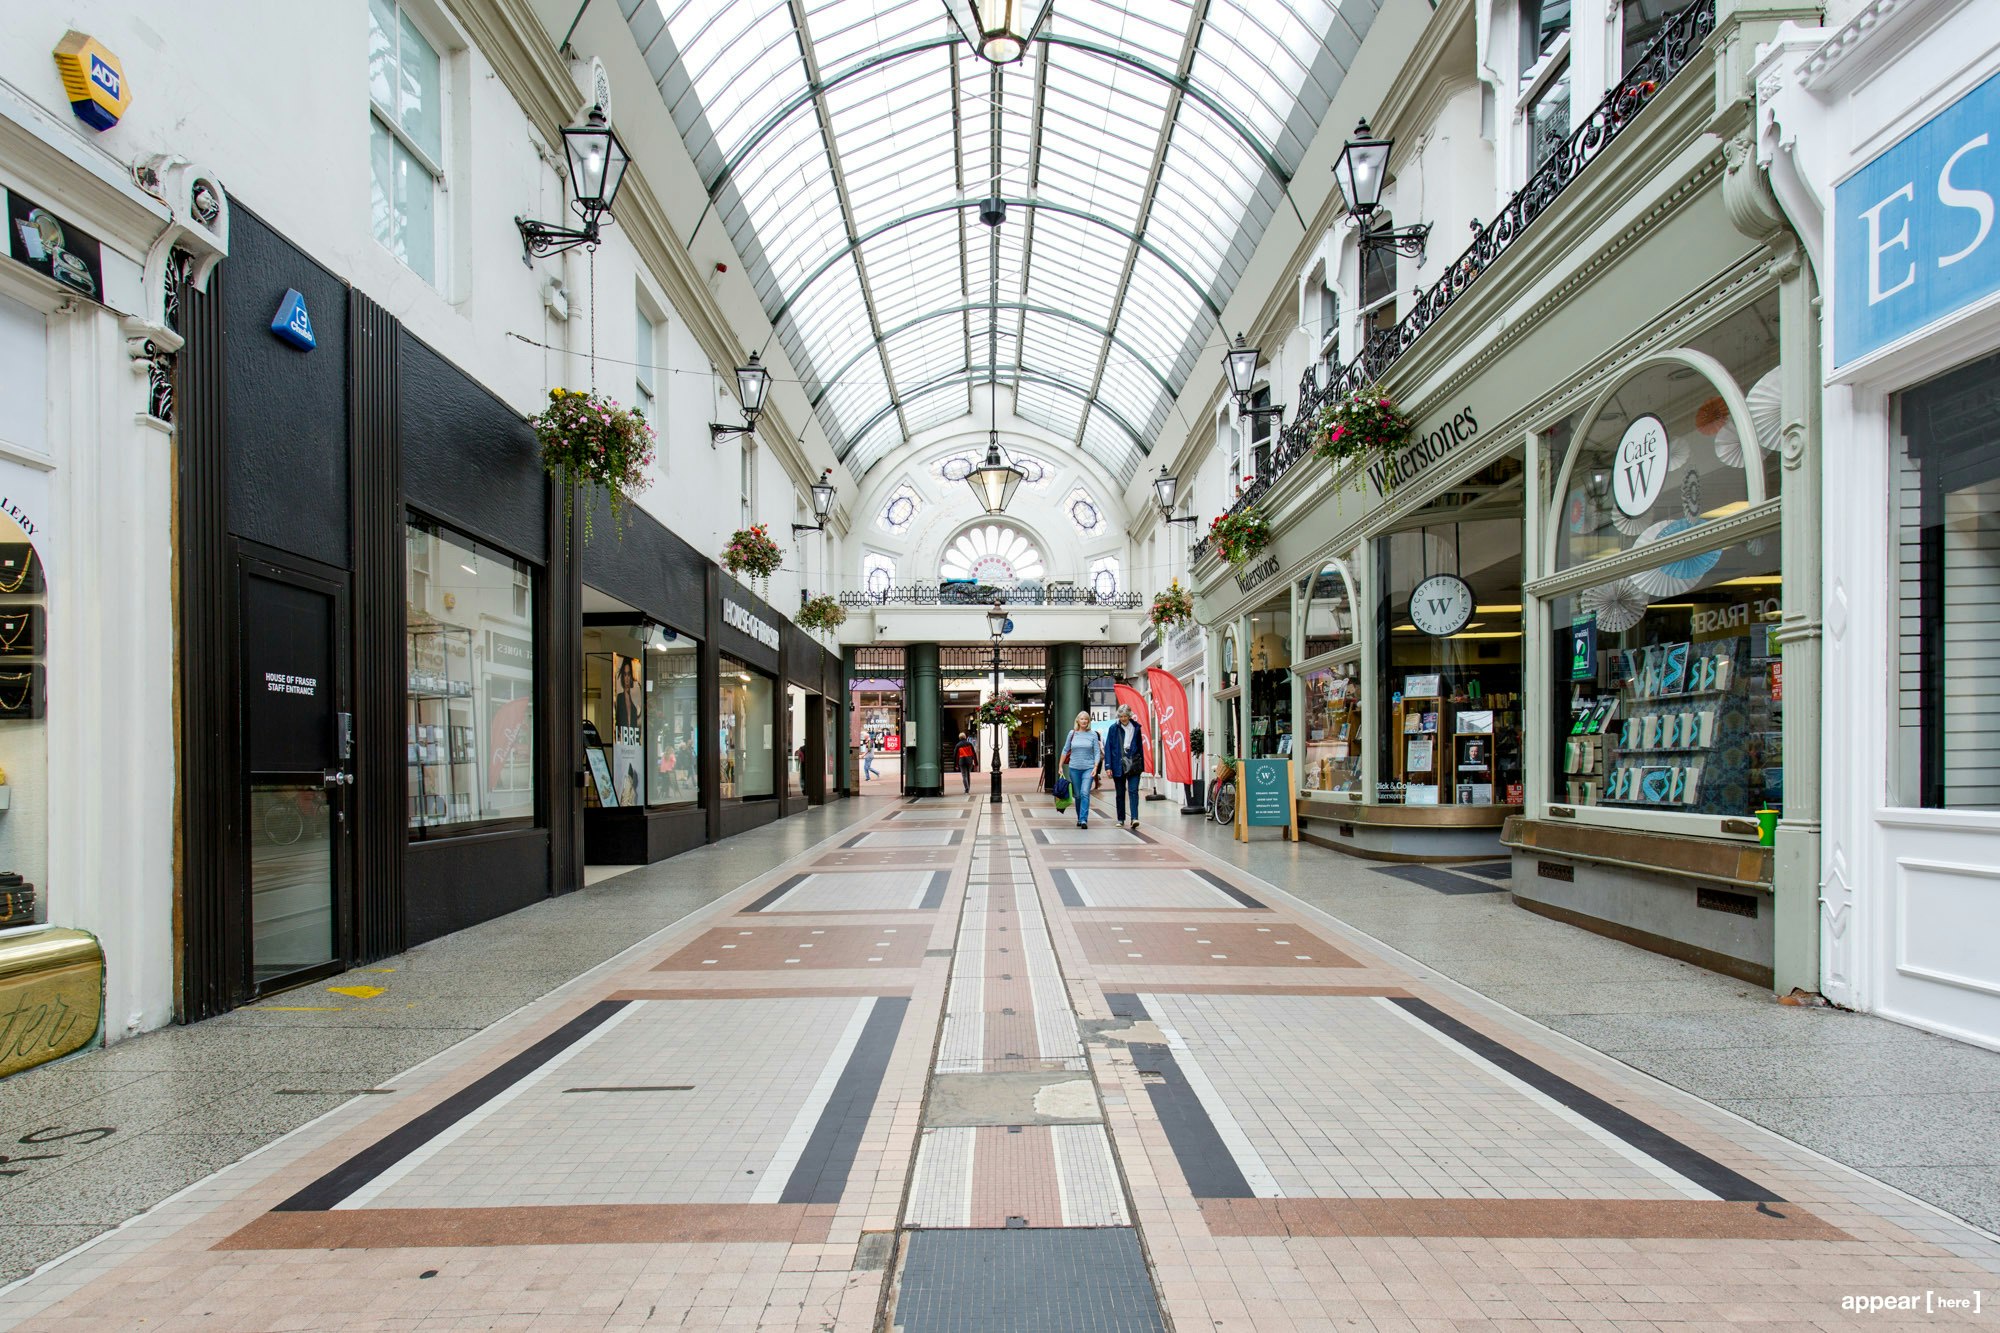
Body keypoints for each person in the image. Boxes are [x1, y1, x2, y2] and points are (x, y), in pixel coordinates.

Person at [1059, 711, 1104, 828]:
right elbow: (1065, 749)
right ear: (1077, 721)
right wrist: (1060, 766)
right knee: (1078, 795)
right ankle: (1079, 817)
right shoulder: (1072, 733)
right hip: (1074, 768)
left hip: (1088, 768)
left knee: (1085, 793)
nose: (1084, 721)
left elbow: (1097, 752)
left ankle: (1083, 819)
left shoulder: (1093, 734)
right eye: (1082, 719)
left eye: (1086, 719)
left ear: (1088, 722)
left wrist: (1095, 767)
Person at [1106, 703, 1147, 829]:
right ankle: (1121, 818)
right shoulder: (1113, 729)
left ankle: (1134, 818)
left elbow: (1140, 748)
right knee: (1120, 793)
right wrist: (1108, 766)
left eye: (1125, 716)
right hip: (1118, 764)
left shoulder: (1136, 728)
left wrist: (1141, 766)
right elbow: (1108, 747)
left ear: (1129, 716)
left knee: (1133, 791)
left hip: (1134, 764)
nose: (1123, 718)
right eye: (1121, 716)